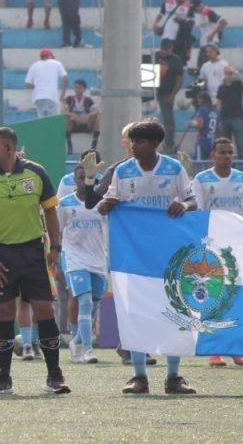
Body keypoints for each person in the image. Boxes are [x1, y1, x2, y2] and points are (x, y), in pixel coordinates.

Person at [97, 118, 198, 395]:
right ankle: (139, 376)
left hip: (169, 252)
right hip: (132, 253)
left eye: (139, 142)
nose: (133, 146)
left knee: (175, 311)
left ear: (155, 144)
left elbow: (193, 201)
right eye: (131, 141)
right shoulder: (123, 170)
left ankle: (174, 377)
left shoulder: (174, 168)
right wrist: (106, 205)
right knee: (135, 312)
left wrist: (183, 205)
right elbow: (108, 203)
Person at [0, 126, 69, 395]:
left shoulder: (36, 173)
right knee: (4, 314)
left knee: (44, 311)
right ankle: (2, 377)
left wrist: (55, 248)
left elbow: (51, 212)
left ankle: (55, 375)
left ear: (9, 149)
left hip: (33, 253)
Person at [190, 137, 243, 369]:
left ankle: (236, 348)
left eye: (230, 152)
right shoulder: (202, 179)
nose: (227, 156)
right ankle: (214, 349)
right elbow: (196, 213)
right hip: (212, 247)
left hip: (237, 247)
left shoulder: (242, 178)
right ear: (213, 155)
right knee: (213, 297)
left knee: (236, 296)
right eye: (222, 152)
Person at [58, 162, 106, 365]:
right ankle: (88, 348)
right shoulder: (66, 203)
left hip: (99, 258)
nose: (83, 181)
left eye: (87, 177)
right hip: (75, 258)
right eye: (79, 177)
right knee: (84, 302)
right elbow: (57, 230)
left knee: (94, 303)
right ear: (74, 180)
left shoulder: (102, 203)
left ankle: (76, 340)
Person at [153, 0, 194, 64]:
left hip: (179, 37)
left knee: (177, 59)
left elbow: (191, 22)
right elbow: (161, 14)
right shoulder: (167, 2)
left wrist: (181, 21)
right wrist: (155, 24)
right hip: (166, 35)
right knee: (163, 58)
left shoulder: (189, 5)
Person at [156, 38, 184, 152]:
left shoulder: (176, 60)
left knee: (168, 120)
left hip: (166, 93)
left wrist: (173, 94)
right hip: (153, 91)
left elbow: (179, 78)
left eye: (168, 49)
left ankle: (169, 144)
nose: (165, 51)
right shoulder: (155, 56)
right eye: (164, 49)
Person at [25, 48, 68, 118]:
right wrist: (62, 94)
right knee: (53, 121)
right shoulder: (57, 63)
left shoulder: (34, 65)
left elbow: (27, 84)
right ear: (50, 56)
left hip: (38, 98)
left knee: (42, 121)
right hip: (52, 97)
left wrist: (37, 86)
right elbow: (66, 78)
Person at [217, 66, 243, 158]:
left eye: (230, 74)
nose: (228, 76)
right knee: (226, 145)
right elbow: (219, 103)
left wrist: (237, 72)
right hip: (224, 118)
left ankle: (242, 166)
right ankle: (229, 165)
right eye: (227, 74)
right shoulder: (221, 87)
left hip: (237, 118)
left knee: (240, 144)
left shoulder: (238, 84)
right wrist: (219, 118)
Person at [64, 79, 100, 154]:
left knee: (96, 117)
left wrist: (87, 116)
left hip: (86, 124)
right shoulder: (69, 99)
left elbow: (96, 111)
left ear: (84, 89)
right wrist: (74, 116)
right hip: (74, 124)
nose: (77, 89)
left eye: (79, 88)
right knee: (67, 117)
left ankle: (94, 145)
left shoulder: (88, 100)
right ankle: (69, 144)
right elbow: (64, 111)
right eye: (76, 87)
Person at [188, 0, 227, 66]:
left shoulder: (209, 12)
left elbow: (224, 22)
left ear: (200, 5)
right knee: (201, 67)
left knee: (207, 66)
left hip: (211, 44)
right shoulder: (200, 15)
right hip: (204, 44)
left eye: (195, 9)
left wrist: (212, 35)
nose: (195, 11)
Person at [188, 91, 219, 160]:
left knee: (198, 163)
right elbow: (219, 127)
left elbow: (200, 125)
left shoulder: (202, 110)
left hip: (203, 140)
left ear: (202, 99)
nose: (197, 101)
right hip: (213, 141)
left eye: (198, 99)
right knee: (209, 164)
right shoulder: (215, 111)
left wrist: (191, 123)